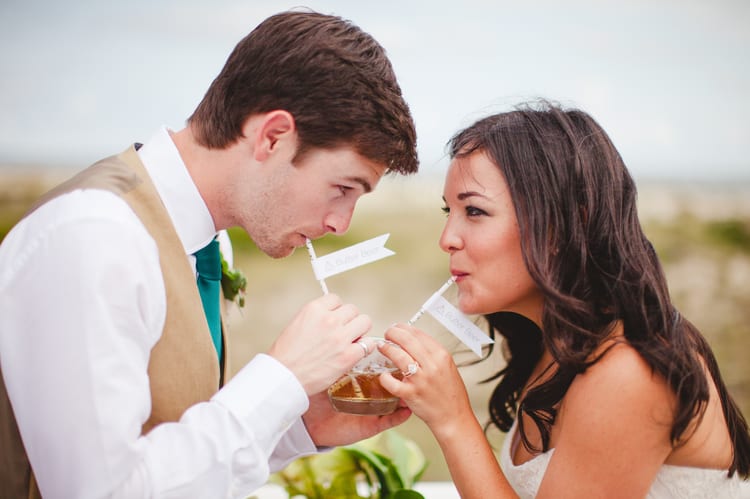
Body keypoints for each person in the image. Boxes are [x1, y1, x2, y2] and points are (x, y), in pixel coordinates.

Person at [0, 10, 418, 499]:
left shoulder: (202, 242)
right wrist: (280, 379)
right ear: (273, 136)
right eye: (342, 188)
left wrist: (296, 427)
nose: (339, 224)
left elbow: (163, 447)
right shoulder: (94, 237)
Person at [379, 101, 750, 498]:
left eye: (474, 211)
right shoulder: (556, 345)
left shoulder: (628, 370)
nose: (446, 239)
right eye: (447, 211)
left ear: (560, 227)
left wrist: (452, 419)